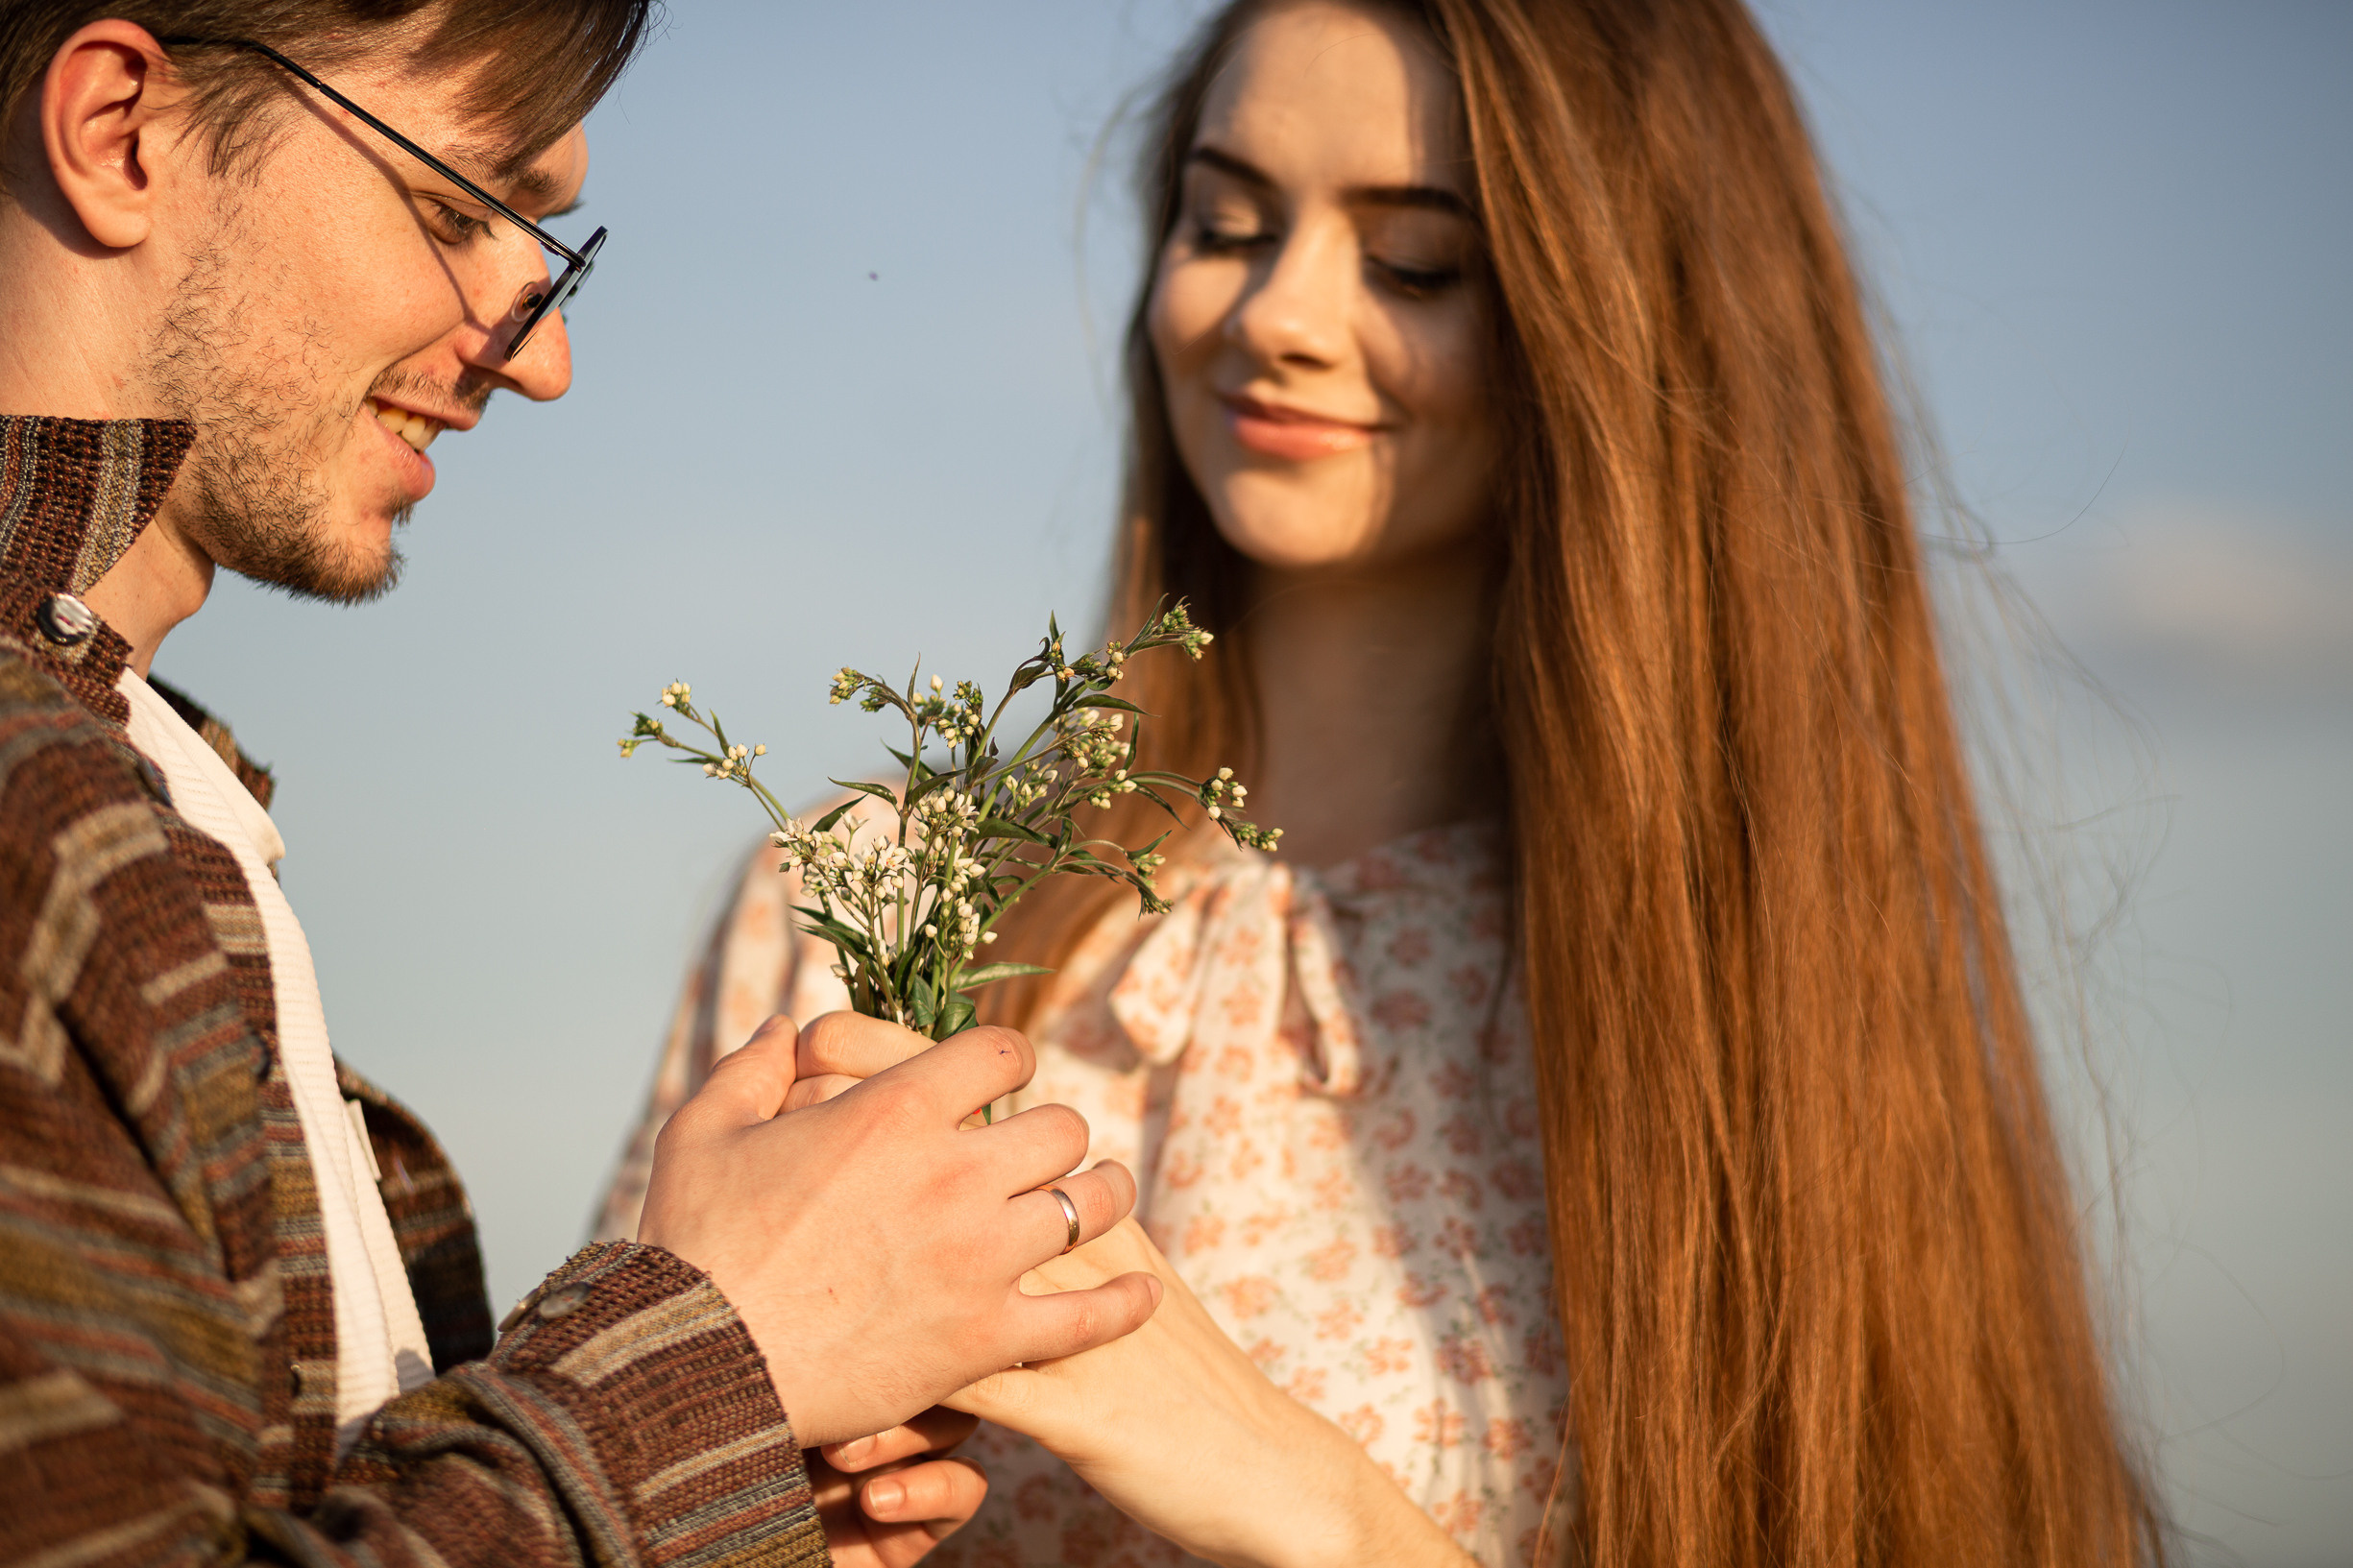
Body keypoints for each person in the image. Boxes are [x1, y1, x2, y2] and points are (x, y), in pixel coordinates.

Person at [601, 1, 2171, 1565]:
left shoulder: (1744, 998)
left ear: (1632, 319)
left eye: (1416, 261)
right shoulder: (873, 894)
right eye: (1226, 222)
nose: (1276, 312)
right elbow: (565, 1492)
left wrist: (1307, 1499)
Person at [0, 7, 1160, 1565]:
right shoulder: (40, 827)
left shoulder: (157, 793)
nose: (538, 356)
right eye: (454, 206)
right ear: (121, 129)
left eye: (547, 247)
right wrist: (711, 1362)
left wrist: (726, 1482)